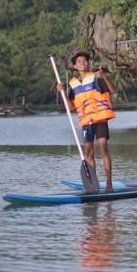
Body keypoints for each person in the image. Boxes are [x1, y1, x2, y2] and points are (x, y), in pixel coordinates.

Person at [57, 51, 116, 191]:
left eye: (85, 60)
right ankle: (93, 185)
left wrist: (104, 77)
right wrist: (61, 92)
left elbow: (113, 90)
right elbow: (71, 107)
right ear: (75, 66)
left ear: (88, 63)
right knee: (88, 153)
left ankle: (109, 184)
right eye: (79, 62)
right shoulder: (74, 85)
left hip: (100, 119)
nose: (82, 63)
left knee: (103, 148)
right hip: (86, 122)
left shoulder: (96, 78)